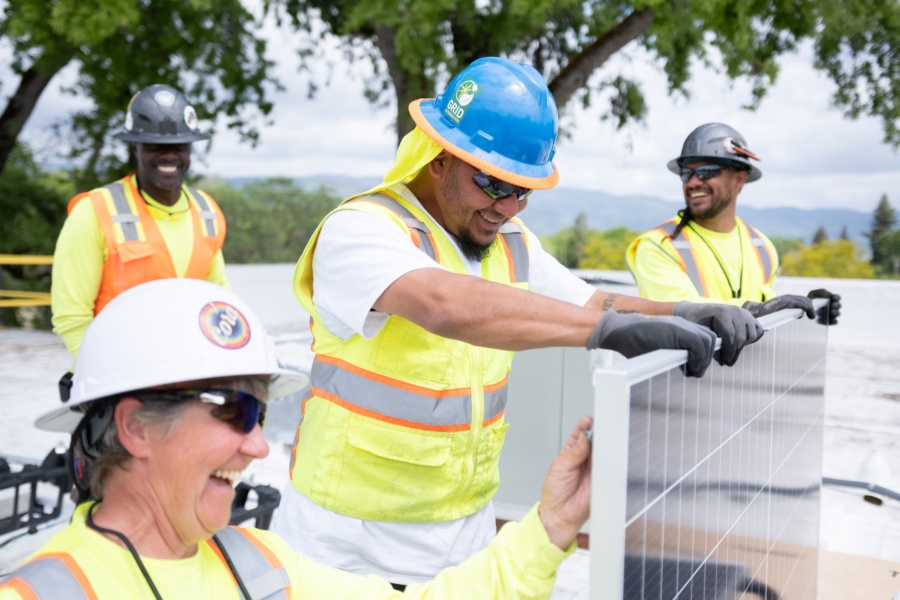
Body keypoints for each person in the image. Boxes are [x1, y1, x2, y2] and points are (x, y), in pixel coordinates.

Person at [275, 57, 764, 587]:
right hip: (346, 548)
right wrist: (607, 333)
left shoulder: (507, 241)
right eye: (492, 183)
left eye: (523, 191)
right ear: (441, 158)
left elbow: (591, 303)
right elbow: (443, 303)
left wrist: (685, 312)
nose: (508, 207)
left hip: (463, 540)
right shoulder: (361, 229)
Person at [0, 279, 595, 599]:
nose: (259, 446)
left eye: (260, 413)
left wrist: (550, 527)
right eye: (234, 411)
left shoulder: (262, 562)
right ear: (134, 427)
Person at [51, 84, 228, 398]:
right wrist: (116, 377)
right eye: (155, 145)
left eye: (179, 145)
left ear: (190, 148)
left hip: (185, 379)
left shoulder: (207, 212)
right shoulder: (94, 211)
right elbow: (71, 317)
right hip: (111, 384)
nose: (169, 155)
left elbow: (219, 301)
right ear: (134, 147)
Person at [626, 122, 841, 324]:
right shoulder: (659, 245)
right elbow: (681, 312)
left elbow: (766, 315)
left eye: (706, 171)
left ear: (739, 178)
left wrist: (808, 311)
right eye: (686, 173)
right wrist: (755, 310)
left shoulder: (762, 246)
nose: (693, 182)